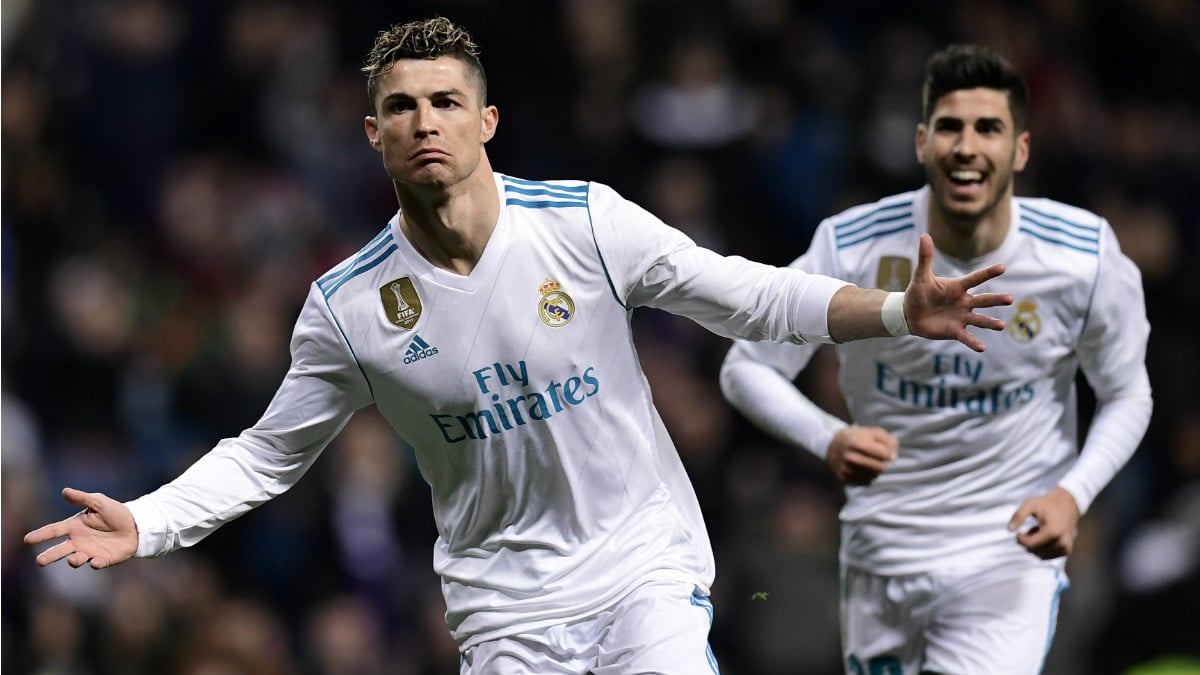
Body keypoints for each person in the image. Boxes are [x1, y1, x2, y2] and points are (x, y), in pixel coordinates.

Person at [24, 18, 1012, 675]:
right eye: (402, 107)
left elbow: (738, 292)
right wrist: (147, 524)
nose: (425, 122)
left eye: (446, 102)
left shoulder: (583, 224)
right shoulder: (348, 305)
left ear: (487, 119)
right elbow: (267, 453)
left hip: (640, 573)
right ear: (372, 133)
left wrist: (891, 311)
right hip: (504, 613)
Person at [719, 43, 1153, 675]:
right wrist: (829, 438)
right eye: (949, 127)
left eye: (989, 129)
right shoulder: (852, 245)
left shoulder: (1082, 258)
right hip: (881, 550)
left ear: (1021, 150)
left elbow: (1128, 393)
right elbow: (745, 366)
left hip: (1005, 550)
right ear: (922, 143)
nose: (967, 145)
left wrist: (1072, 494)